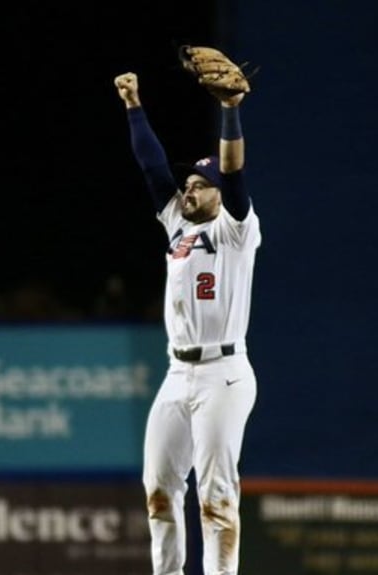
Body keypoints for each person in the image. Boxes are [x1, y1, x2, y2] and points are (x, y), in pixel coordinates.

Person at [114, 60, 261, 575]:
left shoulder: (236, 230)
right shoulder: (178, 222)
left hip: (224, 374)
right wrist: (134, 107)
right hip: (179, 373)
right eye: (191, 183)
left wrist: (230, 112)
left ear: (219, 195)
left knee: (216, 496)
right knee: (158, 489)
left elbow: (236, 173)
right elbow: (153, 168)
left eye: (201, 183)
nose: (190, 189)